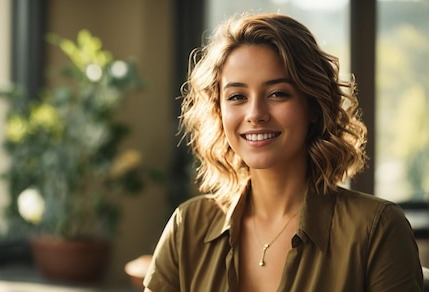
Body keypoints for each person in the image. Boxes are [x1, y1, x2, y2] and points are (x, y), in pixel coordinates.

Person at [143, 13, 423, 291]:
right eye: (237, 97)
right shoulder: (187, 227)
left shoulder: (376, 228)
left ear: (313, 106)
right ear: (219, 111)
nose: (255, 114)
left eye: (278, 93)